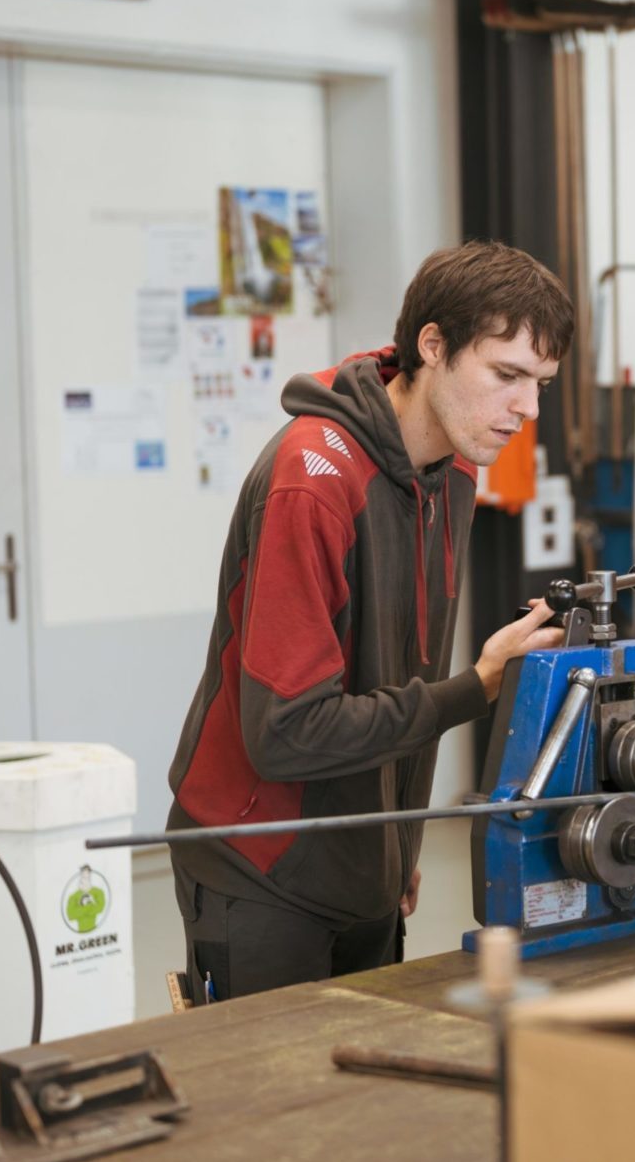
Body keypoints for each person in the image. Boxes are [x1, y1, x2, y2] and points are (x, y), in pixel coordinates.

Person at [166, 240, 573, 1002]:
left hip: (365, 867)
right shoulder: (312, 479)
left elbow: (400, 668)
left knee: (362, 1111)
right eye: (508, 375)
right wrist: (476, 689)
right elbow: (286, 730)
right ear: (433, 345)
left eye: (541, 383)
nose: (528, 409)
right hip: (262, 869)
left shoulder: (452, 472)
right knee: (274, 1113)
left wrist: (397, 843)